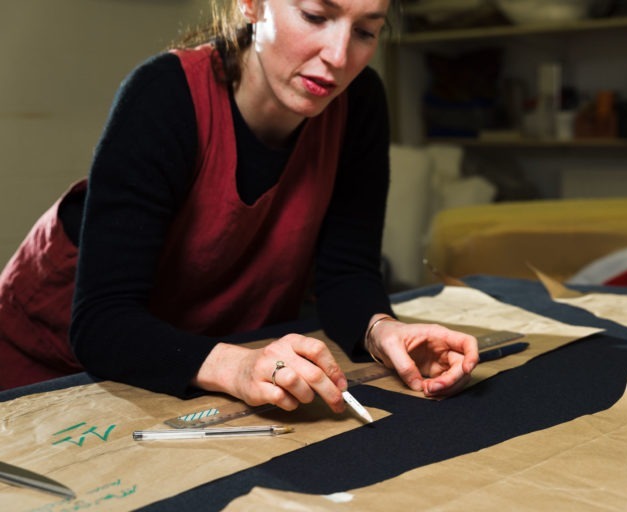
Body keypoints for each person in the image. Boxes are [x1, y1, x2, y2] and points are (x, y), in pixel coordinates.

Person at [0, 0, 479, 415]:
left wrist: (382, 331)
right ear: (250, 5)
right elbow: (103, 323)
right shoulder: (162, 96)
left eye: (365, 31)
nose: (337, 56)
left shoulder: (359, 104)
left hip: (195, 363)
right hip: (53, 364)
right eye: (315, 15)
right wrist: (239, 365)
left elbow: (347, 274)